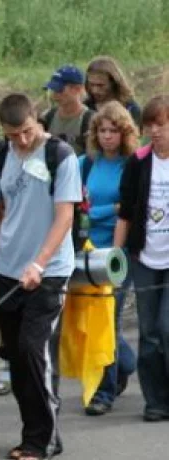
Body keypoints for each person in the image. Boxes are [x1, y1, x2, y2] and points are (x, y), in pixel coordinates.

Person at [0, 93, 82, 460]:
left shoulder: (60, 157)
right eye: (12, 134)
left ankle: (43, 439)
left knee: (35, 350)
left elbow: (64, 217)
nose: (20, 140)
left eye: (26, 131)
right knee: (16, 356)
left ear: (38, 121)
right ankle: (33, 432)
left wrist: (39, 263)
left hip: (47, 272)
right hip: (7, 270)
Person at [81, 102, 139, 415]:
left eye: (113, 131)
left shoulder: (132, 164)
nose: (107, 137)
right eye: (102, 130)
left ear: (125, 133)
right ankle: (127, 363)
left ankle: (105, 392)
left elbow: (127, 210)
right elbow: (79, 207)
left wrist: (102, 212)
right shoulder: (86, 164)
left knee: (109, 318)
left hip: (120, 253)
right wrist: (109, 210)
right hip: (89, 251)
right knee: (96, 321)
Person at [114, 95, 169, 421]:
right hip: (144, 257)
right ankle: (156, 400)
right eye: (149, 126)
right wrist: (116, 258)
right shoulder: (139, 161)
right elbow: (126, 212)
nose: (155, 132)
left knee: (166, 328)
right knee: (148, 332)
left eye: (161, 125)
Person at [41, 65, 93, 155]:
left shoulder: (90, 120)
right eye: (53, 90)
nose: (55, 95)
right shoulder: (47, 117)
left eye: (60, 90)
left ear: (78, 89)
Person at [84, 56, 142, 126]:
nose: (95, 90)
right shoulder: (85, 108)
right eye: (92, 85)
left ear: (113, 83)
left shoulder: (130, 108)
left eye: (101, 85)